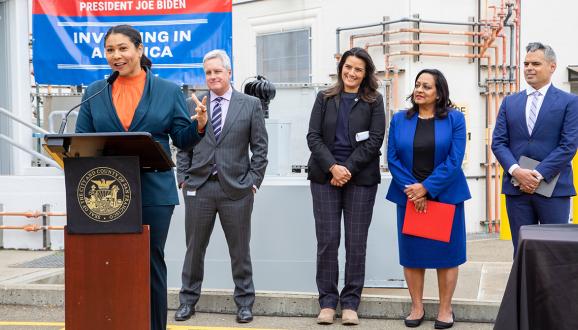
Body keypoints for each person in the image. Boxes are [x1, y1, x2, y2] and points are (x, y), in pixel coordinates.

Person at [75, 25, 206, 330]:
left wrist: (198, 125)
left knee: (148, 263)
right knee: (109, 264)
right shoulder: (94, 92)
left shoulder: (168, 90)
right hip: (105, 194)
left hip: (153, 192)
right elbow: (81, 141)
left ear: (139, 49)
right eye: (110, 50)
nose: (116, 56)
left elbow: (183, 139)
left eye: (123, 48)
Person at [174, 49, 268, 324]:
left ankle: (244, 303)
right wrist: (183, 178)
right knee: (194, 250)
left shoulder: (249, 105)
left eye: (217, 71)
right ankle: (187, 301)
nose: (213, 77)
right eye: (208, 72)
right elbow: (183, 146)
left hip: (236, 190)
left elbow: (260, 149)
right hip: (199, 188)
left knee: (240, 251)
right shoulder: (193, 105)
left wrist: (253, 183)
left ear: (229, 72)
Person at [306, 47, 385, 326]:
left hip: (360, 179)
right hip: (325, 178)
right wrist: (333, 167)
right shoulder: (324, 97)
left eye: (358, 69)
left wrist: (347, 168)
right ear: (341, 68)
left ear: (366, 74)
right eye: (348, 67)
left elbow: (375, 140)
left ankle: (351, 302)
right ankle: (327, 302)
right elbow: (313, 137)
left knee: (355, 243)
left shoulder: (374, 101)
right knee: (327, 241)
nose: (351, 73)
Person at [386, 69, 470, 329]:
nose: (419, 90)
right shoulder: (400, 119)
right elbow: (392, 159)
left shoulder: (455, 119)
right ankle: (417, 307)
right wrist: (414, 190)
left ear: (439, 93)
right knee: (412, 255)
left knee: (447, 256)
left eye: (427, 87)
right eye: (417, 85)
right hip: (409, 196)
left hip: (445, 195)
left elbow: (455, 159)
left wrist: (427, 188)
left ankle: (445, 309)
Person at [492, 42, 578, 255]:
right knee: (522, 250)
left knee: (556, 252)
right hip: (516, 188)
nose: (529, 68)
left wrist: (537, 175)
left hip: (554, 188)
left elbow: (568, 145)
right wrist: (517, 172)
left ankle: (554, 291)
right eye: (526, 64)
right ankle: (523, 290)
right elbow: (498, 142)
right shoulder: (509, 102)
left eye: (536, 63)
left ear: (552, 66)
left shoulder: (569, 102)